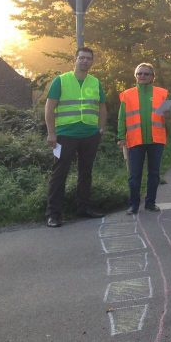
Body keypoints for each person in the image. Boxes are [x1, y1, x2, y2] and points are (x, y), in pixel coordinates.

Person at [44, 46, 107, 227]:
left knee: (85, 173)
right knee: (59, 174)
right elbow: (49, 108)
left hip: (89, 135)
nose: (85, 61)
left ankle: (83, 208)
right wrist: (51, 133)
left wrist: (101, 128)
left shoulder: (95, 82)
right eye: (82, 58)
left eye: (88, 58)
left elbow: (102, 107)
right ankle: (53, 214)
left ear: (92, 62)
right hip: (65, 136)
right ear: (75, 59)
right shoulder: (61, 81)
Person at [117, 63, 170, 215]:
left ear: (153, 77)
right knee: (135, 175)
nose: (142, 76)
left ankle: (150, 203)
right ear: (135, 76)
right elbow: (122, 118)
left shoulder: (162, 93)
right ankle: (133, 205)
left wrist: (167, 115)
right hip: (135, 140)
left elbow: (166, 116)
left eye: (146, 74)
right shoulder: (127, 94)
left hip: (156, 140)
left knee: (154, 174)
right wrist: (121, 137)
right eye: (139, 73)